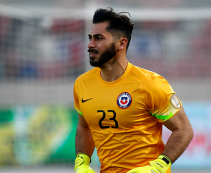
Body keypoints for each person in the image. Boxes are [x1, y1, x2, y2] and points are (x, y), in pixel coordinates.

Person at [73, 7, 193, 173]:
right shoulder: (82, 84)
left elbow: (184, 129)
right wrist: (81, 161)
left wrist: (158, 167)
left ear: (121, 43)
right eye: (90, 38)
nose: (90, 44)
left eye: (98, 38)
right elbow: (84, 126)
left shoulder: (150, 84)